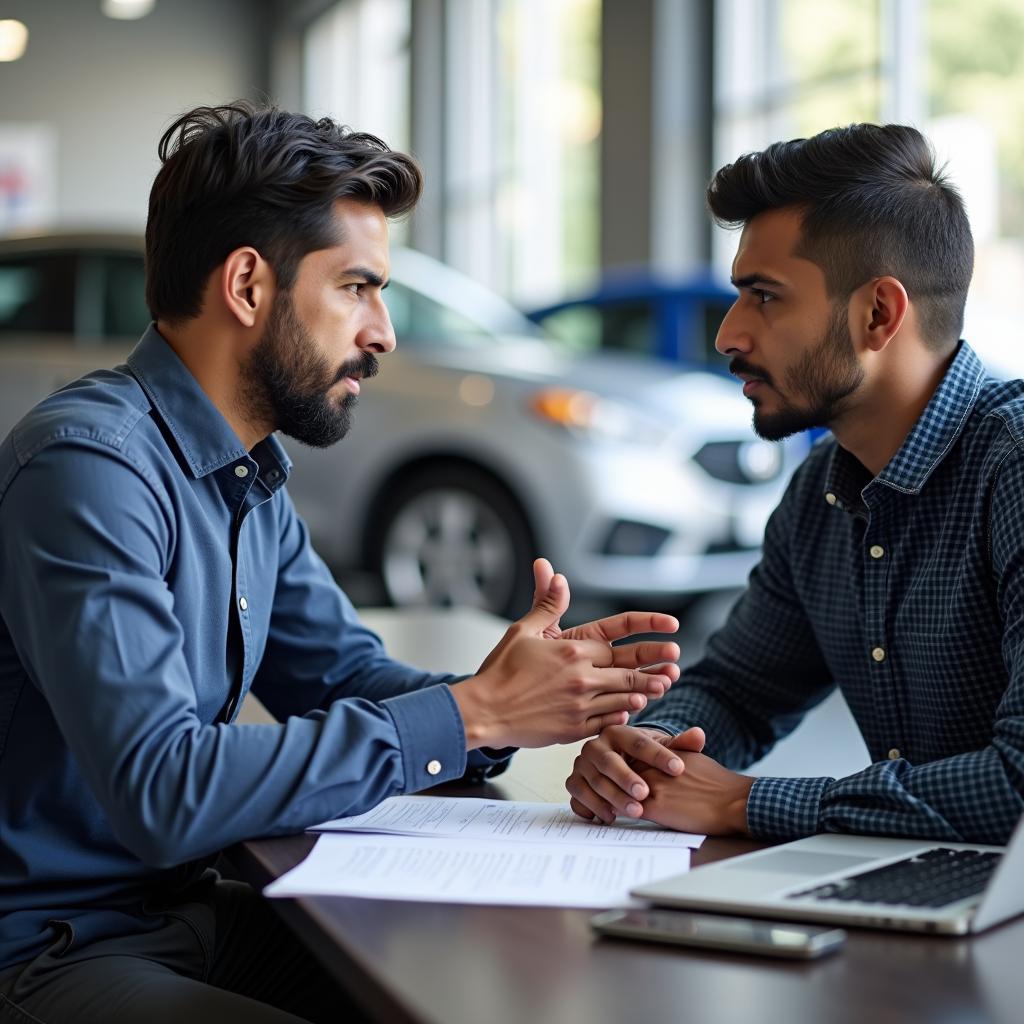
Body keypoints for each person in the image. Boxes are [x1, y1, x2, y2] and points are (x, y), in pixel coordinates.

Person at [0, 103, 681, 1023]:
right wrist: (471, 715)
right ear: (247, 286)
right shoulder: (90, 469)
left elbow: (345, 675)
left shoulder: (248, 475)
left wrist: (524, 703)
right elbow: (164, 789)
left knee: (479, 978)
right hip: (50, 947)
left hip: (182, 912)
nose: (383, 332)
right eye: (357, 286)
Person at [566, 122, 1024, 848]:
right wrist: (647, 752)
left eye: (766, 297)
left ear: (879, 313)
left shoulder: (1014, 467)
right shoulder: (823, 490)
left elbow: (1020, 786)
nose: (729, 335)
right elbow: (741, 691)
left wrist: (742, 804)